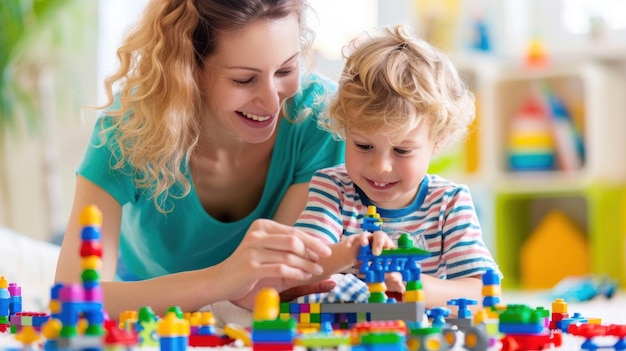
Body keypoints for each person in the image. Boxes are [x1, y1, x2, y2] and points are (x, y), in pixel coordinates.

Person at [54, 0, 346, 321]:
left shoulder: (322, 119)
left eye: (286, 70)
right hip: (141, 283)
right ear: (187, 70)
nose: (272, 99)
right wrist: (222, 279)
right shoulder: (128, 129)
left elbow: (269, 282)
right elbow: (72, 300)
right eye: (244, 80)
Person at [293, 24, 501, 308]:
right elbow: (298, 270)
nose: (380, 167)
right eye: (363, 146)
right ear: (345, 130)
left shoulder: (449, 202)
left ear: (437, 141)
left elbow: (485, 291)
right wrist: (350, 252)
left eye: (402, 150)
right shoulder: (332, 189)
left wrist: (414, 286)